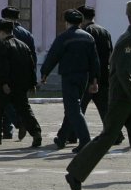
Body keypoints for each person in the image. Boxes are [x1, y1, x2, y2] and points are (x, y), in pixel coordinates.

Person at [65, 0, 131, 190]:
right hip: (123, 101)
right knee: (107, 138)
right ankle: (75, 174)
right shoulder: (127, 40)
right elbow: (123, 73)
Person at [59, 5, 124, 146]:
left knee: (75, 107)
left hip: (88, 75)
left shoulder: (85, 32)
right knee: (105, 108)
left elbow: (86, 56)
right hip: (103, 75)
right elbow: (111, 53)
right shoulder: (105, 31)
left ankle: (68, 135)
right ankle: (116, 134)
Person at [40, 9, 99, 152]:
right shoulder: (88, 37)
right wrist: (94, 80)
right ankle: (62, 138)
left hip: (69, 77)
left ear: (67, 22)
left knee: (73, 109)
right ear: (80, 22)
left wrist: (44, 73)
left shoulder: (64, 37)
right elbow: (94, 61)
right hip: (83, 77)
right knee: (72, 108)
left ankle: (85, 140)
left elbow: (53, 55)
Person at [0, 19, 42, 147]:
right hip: (21, 85)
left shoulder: (4, 45)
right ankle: (36, 133)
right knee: (25, 110)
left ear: (0, 32)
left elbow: (3, 67)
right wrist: (32, 83)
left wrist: (4, 83)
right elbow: (31, 66)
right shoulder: (24, 45)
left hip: (7, 85)